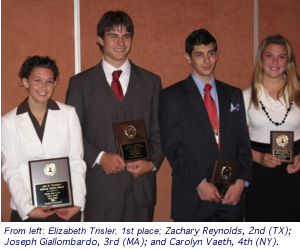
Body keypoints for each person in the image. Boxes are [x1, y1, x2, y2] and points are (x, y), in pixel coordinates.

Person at [66, 11, 164, 222]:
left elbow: (159, 131)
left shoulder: (151, 82)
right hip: (101, 190)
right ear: (100, 40)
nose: (121, 42)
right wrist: (100, 157)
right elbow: (72, 135)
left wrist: (152, 163)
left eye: (126, 36)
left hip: (141, 191)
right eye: (113, 35)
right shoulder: (80, 85)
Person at [158, 29, 252, 222]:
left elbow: (243, 143)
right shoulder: (172, 97)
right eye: (199, 55)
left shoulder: (234, 95)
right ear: (188, 57)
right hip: (192, 200)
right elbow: (173, 148)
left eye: (210, 53)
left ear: (217, 55)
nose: (207, 60)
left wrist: (242, 181)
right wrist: (199, 183)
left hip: (231, 201)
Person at [1, 55, 86, 222]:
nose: (43, 87)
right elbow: (11, 170)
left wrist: (77, 203)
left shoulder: (69, 114)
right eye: (37, 80)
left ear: (55, 84)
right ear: (25, 82)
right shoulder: (7, 122)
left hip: (65, 209)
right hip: (27, 211)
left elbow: (76, 161)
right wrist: (28, 209)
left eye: (49, 81)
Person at [243, 34, 300, 222]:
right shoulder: (245, 96)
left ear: (288, 61)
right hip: (260, 176)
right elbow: (236, 144)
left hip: (295, 174)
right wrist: (259, 157)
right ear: (261, 59)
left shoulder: (298, 93)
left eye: (281, 56)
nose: (275, 61)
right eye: (269, 55)